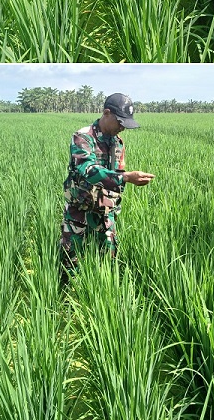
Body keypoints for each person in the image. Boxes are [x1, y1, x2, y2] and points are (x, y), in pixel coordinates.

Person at [60, 93, 154, 285]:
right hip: (80, 209)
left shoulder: (117, 143)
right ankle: (69, 302)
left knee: (109, 260)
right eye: (120, 122)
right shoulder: (83, 137)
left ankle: (101, 294)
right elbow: (87, 170)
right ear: (106, 113)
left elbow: (117, 175)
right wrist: (126, 177)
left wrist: (114, 209)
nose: (122, 128)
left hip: (105, 212)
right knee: (71, 261)